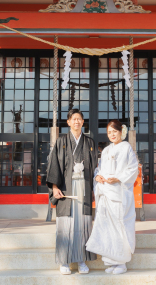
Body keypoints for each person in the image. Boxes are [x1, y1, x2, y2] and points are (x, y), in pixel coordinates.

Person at [46, 108, 99, 275]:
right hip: (66, 189)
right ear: (68, 122)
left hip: (84, 189)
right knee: (66, 225)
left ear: (83, 122)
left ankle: (82, 260)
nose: (77, 121)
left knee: (83, 225)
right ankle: (64, 261)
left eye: (79, 119)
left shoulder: (90, 142)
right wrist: (55, 187)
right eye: (73, 119)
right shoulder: (61, 141)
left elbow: (96, 168)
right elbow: (53, 165)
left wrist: (96, 188)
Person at [86, 119, 139, 275]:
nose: (112, 135)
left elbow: (133, 169)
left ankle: (121, 263)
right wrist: (98, 177)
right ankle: (111, 261)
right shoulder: (106, 150)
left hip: (119, 194)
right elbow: (99, 169)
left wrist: (118, 178)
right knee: (107, 228)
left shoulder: (126, 147)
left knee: (118, 227)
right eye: (109, 132)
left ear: (121, 132)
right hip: (106, 194)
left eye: (114, 131)